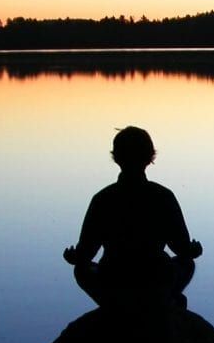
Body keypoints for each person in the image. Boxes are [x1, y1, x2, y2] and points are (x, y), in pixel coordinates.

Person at [63, 126, 202, 310]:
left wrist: (74, 257)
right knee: (186, 264)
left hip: (113, 278)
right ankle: (165, 300)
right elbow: (181, 248)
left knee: (82, 270)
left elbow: (86, 253)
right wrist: (193, 250)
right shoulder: (163, 196)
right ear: (150, 157)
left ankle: (116, 306)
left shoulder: (103, 199)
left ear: (116, 157)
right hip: (156, 276)